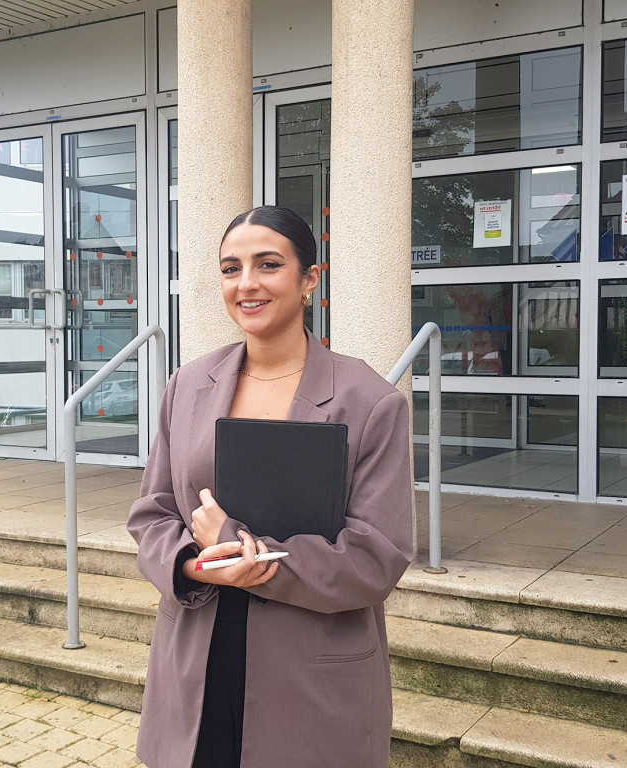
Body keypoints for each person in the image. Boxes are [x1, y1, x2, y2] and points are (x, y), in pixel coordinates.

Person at [127, 205, 413, 768]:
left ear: (309, 280)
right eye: (231, 268)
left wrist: (235, 542)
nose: (247, 284)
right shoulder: (188, 385)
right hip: (199, 656)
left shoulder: (369, 400)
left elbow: (378, 556)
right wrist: (196, 563)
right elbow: (152, 514)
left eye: (268, 264)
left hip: (310, 672)